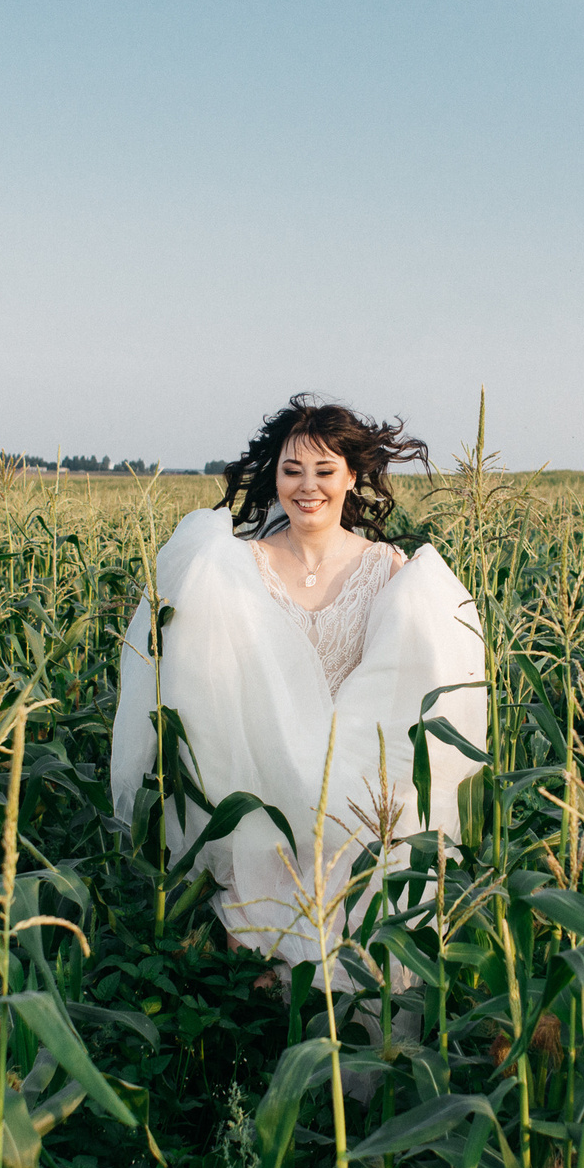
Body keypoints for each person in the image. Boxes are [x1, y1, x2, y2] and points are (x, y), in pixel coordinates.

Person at [112, 397, 486, 990]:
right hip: (263, 796)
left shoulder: (391, 570)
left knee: (359, 972)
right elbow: (207, 687)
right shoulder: (237, 565)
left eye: (324, 471)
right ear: (275, 476)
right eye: (291, 471)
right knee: (259, 978)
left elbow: (414, 691)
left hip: (359, 798)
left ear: (352, 477)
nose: (306, 487)